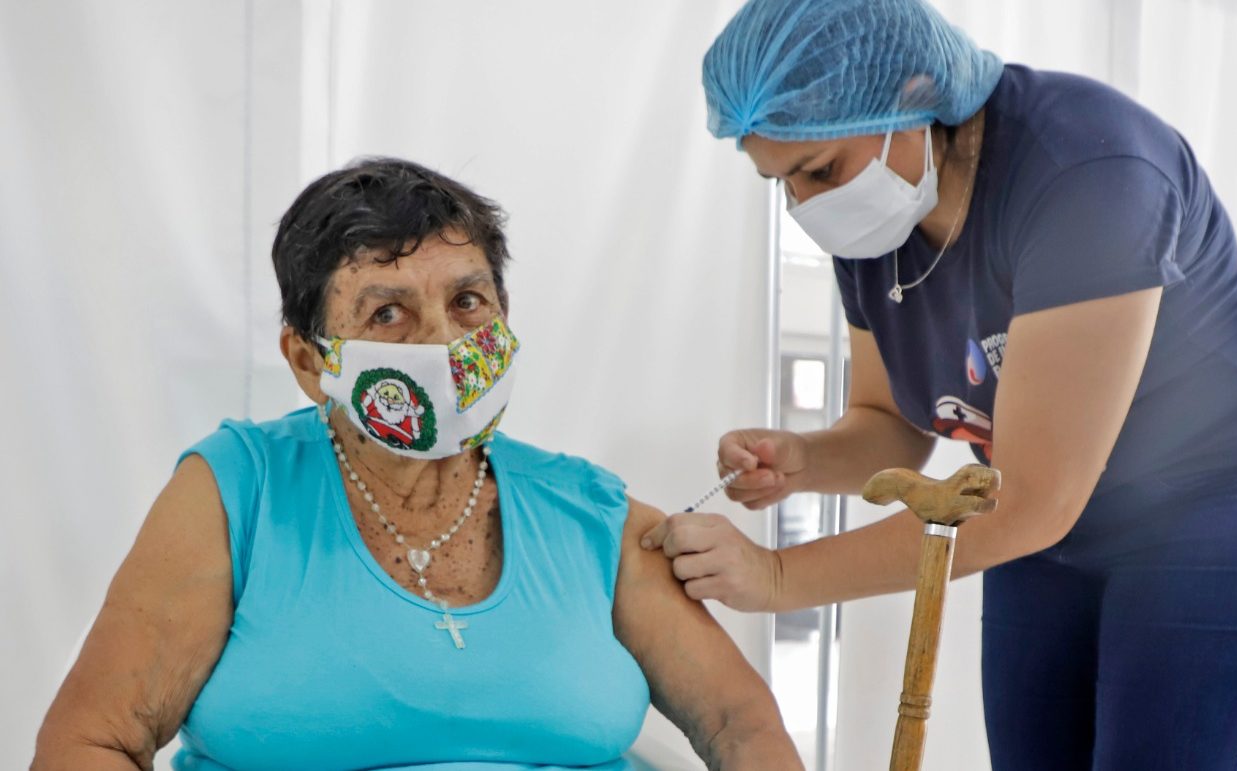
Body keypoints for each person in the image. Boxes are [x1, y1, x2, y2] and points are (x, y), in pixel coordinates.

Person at [643, 0, 1237, 768]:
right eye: (781, 183)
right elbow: (892, 423)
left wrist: (777, 575)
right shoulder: (874, 218)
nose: (808, 207)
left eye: (817, 170)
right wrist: (804, 458)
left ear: (912, 94)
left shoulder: (1091, 167)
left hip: (1218, 500)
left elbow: (1032, 500)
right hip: (1045, 516)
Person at [32, 159, 802, 770]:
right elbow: (90, 742)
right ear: (308, 361)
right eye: (388, 313)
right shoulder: (238, 493)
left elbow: (743, 726)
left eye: (468, 301)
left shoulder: (589, 512)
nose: (443, 342)